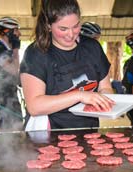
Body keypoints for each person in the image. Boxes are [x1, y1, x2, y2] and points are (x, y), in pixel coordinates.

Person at [20, 0, 114, 130]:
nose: (71, 34)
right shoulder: (36, 54)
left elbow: (105, 88)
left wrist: (106, 101)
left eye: (75, 26)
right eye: (63, 29)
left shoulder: (92, 47)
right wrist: (80, 95)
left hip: (89, 131)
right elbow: (34, 106)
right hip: (50, 134)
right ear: (48, 25)